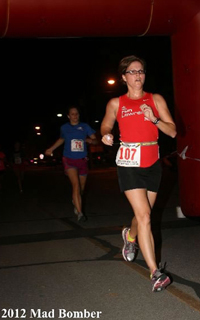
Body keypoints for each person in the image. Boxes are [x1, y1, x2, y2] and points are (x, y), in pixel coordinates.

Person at [101, 55, 177, 292]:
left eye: (141, 71)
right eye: (132, 72)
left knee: (143, 214)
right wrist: (106, 134)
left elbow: (173, 132)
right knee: (145, 216)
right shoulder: (116, 103)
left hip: (152, 162)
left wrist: (152, 118)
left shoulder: (155, 99)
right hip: (129, 162)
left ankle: (130, 236)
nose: (138, 75)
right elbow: (105, 124)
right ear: (124, 77)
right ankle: (155, 272)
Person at [45, 106, 97, 222]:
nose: (75, 116)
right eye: (72, 114)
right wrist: (51, 148)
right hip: (69, 159)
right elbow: (62, 139)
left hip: (82, 160)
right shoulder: (64, 128)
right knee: (76, 186)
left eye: (76, 114)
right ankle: (80, 213)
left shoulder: (85, 127)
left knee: (81, 189)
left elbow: (95, 140)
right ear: (68, 116)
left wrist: (89, 140)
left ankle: (75, 201)